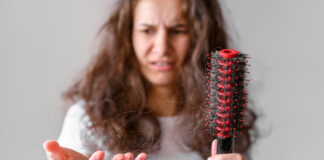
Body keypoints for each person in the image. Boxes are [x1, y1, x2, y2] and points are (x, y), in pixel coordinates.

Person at [43, 0, 257, 160]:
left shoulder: (225, 116)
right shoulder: (86, 120)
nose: (162, 47)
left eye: (178, 30)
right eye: (147, 31)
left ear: (200, 36)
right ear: (128, 36)